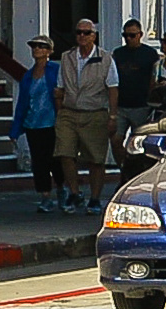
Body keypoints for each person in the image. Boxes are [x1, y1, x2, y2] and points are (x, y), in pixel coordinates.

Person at [53, 19, 124, 209]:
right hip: (69, 111)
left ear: (94, 35)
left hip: (94, 112)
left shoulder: (105, 58)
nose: (82, 36)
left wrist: (113, 116)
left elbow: (113, 88)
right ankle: (75, 192)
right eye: (78, 32)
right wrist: (60, 111)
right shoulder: (67, 57)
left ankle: (94, 198)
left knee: (96, 158)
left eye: (86, 33)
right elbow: (59, 87)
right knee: (64, 153)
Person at [14, 36, 65, 210]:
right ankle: (45, 196)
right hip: (33, 124)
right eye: (34, 46)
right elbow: (22, 103)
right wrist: (15, 129)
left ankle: (61, 189)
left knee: (55, 159)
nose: (37, 49)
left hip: (52, 123)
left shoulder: (56, 70)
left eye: (42, 46)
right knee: (39, 161)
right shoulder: (28, 76)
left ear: (49, 51)